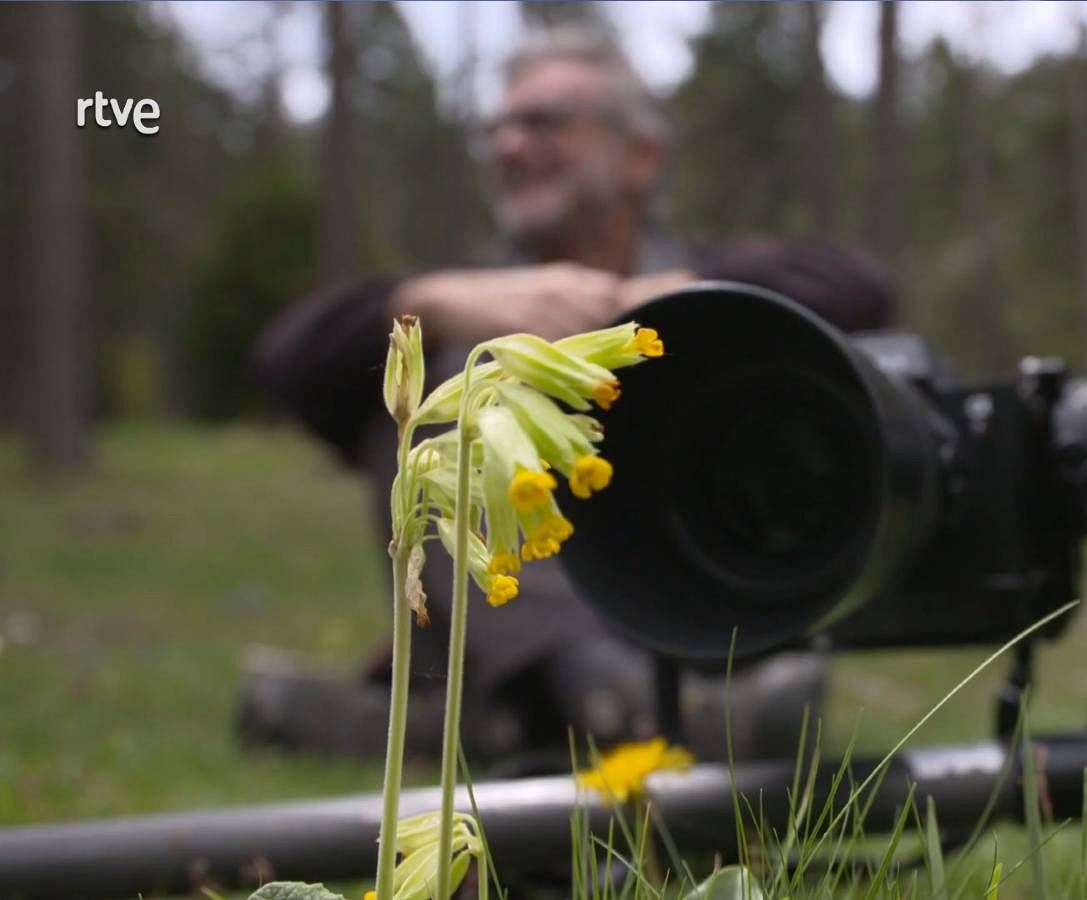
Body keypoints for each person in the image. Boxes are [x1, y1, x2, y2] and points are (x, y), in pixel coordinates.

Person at [246, 28, 895, 767]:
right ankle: (625, 710)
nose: (510, 147)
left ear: (640, 157)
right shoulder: (464, 309)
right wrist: (426, 300)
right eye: (499, 129)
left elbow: (861, 288)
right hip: (514, 638)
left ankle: (503, 728)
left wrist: (655, 302)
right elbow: (286, 360)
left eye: (545, 122)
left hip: (691, 615)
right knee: (458, 379)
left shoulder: (704, 273)